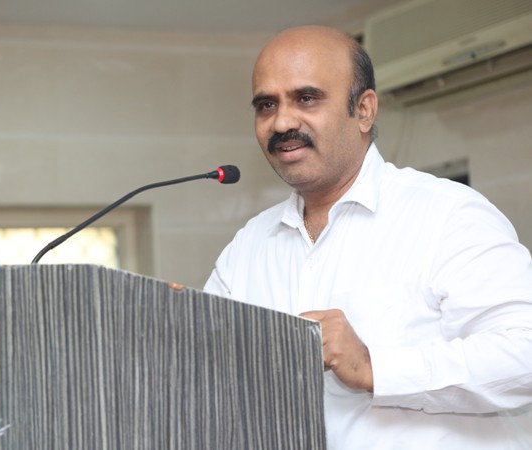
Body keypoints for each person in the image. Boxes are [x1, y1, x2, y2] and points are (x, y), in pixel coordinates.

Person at [204, 25, 532, 449]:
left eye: (307, 98)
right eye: (266, 105)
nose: (282, 122)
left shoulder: (447, 214)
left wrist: (374, 366)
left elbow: (524, 355)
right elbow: (209, 375)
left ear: (363, 110)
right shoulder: (247, 247)